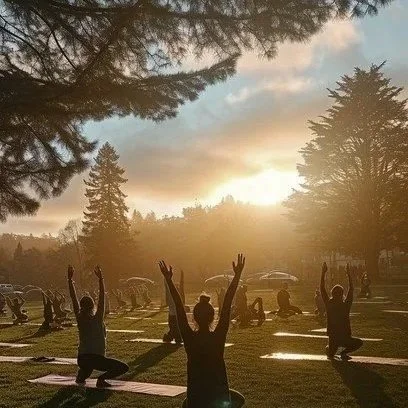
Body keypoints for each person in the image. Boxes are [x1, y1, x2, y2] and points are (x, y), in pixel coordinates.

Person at [159, 254, 246, 408]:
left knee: (187, 403)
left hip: (196, 400)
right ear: (213, 317)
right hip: (219, 396)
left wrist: (169, 280)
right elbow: (227, 304)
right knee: (239, 399)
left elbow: (179, 307)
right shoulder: (218, 336)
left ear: (194, 318)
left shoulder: (189, 338)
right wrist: (237, 275)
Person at [68, 265, 128, 387]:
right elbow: (102, 299)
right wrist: (101, 279)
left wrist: (70, 280)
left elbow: (73, 298)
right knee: (123, 367)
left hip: (82, 359)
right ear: (92, 306)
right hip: (95, 358)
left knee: (88, 370)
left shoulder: (80, 318)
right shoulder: (97, 318)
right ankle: (101, 379)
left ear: (81, 306)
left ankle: (82, 374)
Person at [320, 262, 363, 361]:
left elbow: (322, 288)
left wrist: (323, 273)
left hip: (333, 338)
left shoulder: (329, 304)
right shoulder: (345, 305)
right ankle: (343, 352)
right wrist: (348, 274)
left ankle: (330, 348)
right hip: (345, 338)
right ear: (342, 294)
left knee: (330, 354)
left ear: (332, 293)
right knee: (359, 342)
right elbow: (351, 289)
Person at [162, 278, 182, 344]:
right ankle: (176, 337)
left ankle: (174, 337)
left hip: (173, 314)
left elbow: (168, 289)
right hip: (173, 314)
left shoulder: (173, 296)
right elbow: (168, 289)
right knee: (174, 327)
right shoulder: (173, 297)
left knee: (174, 327)